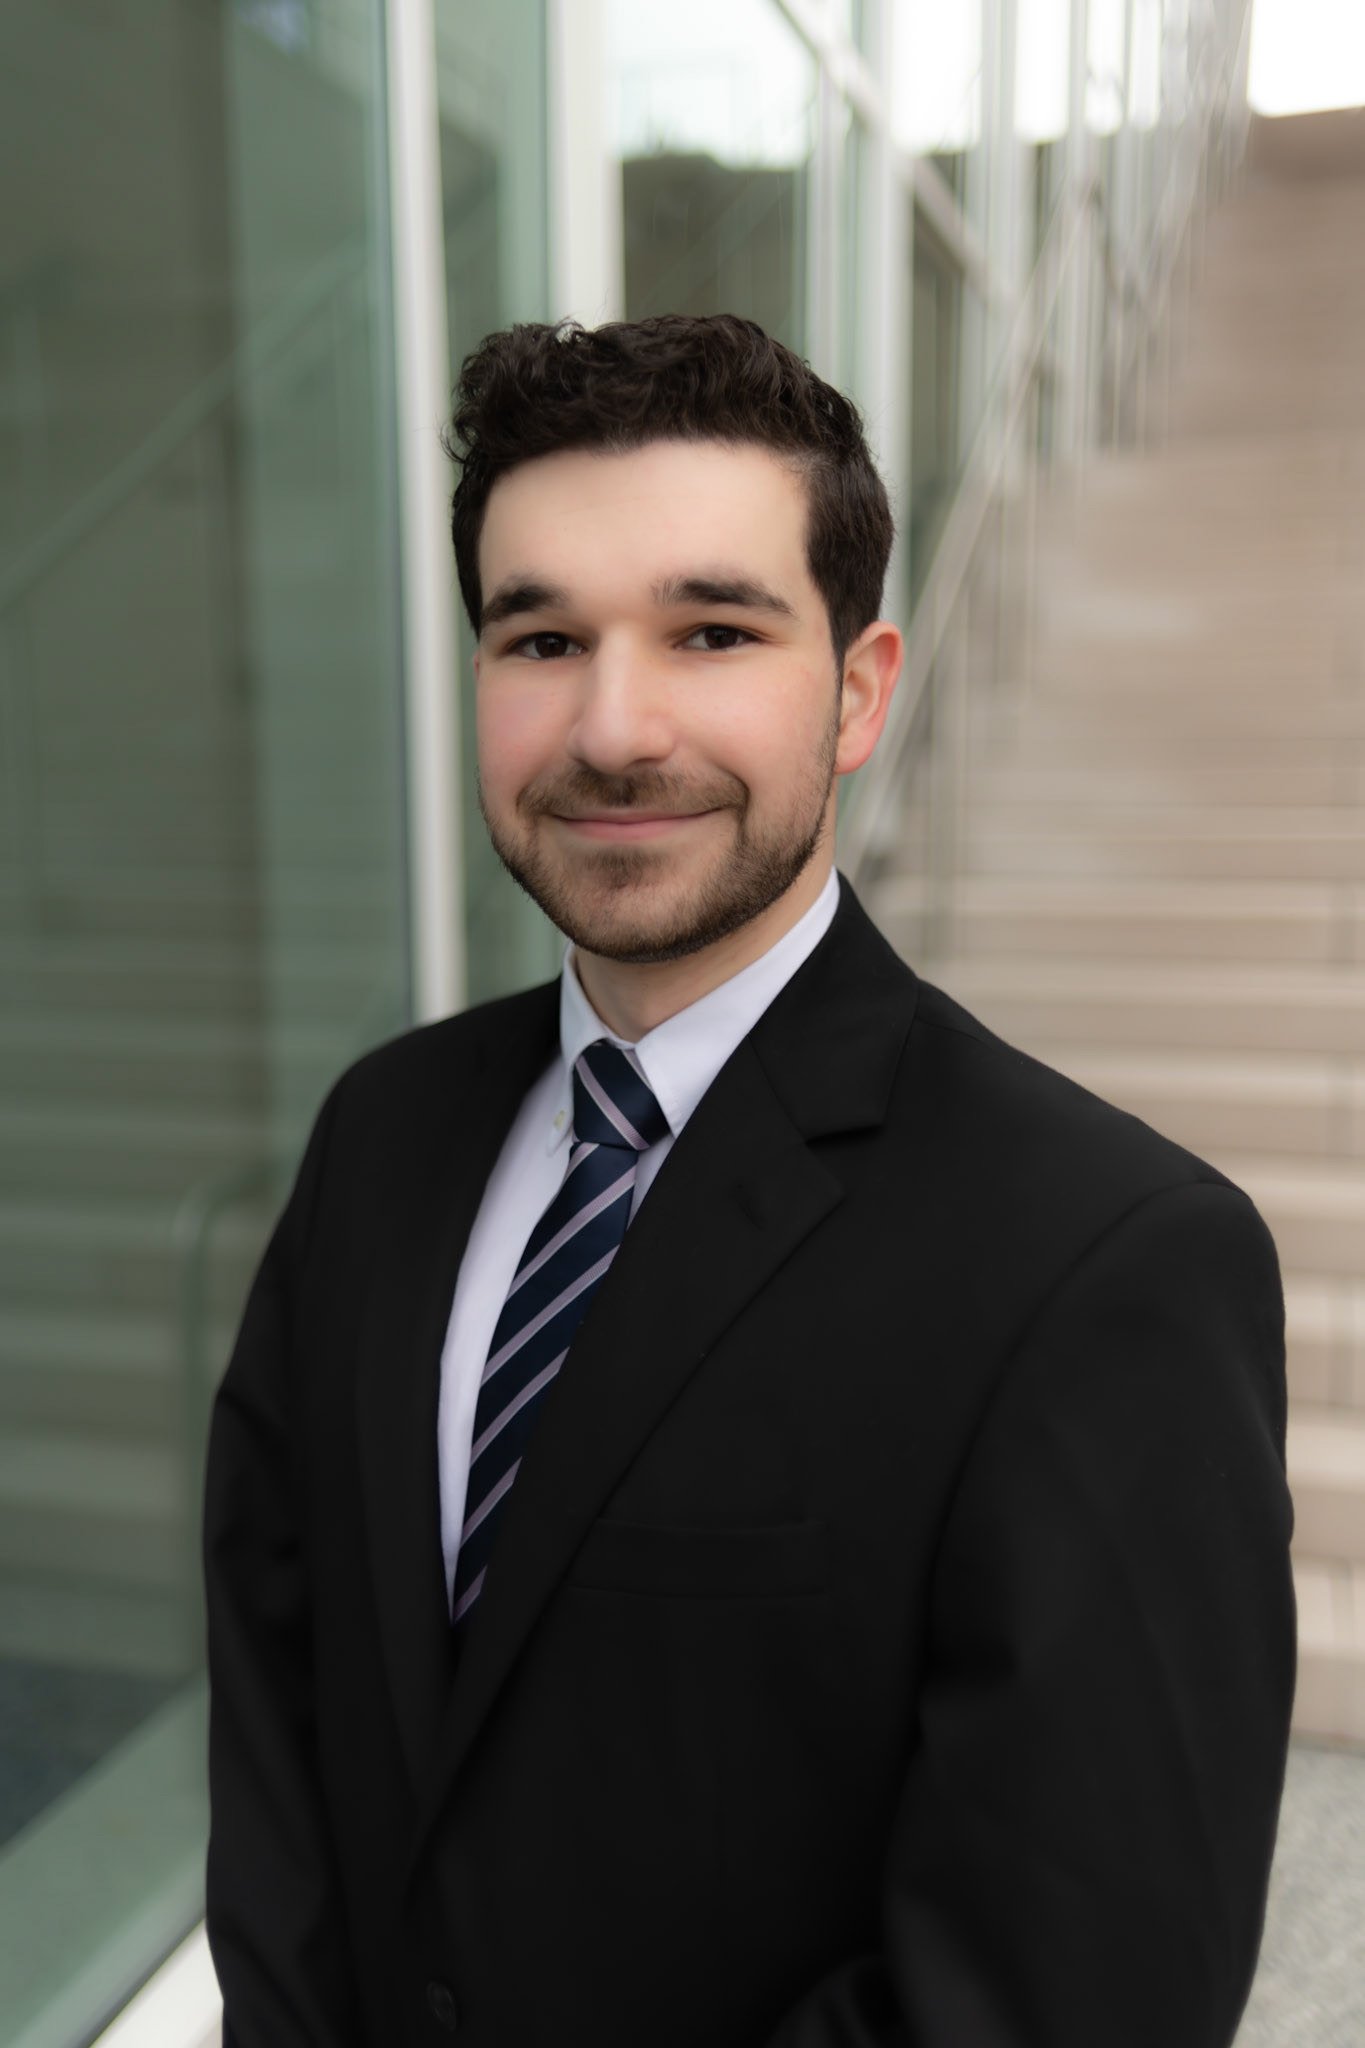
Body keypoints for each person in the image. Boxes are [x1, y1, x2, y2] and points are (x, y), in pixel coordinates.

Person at [203, 314, 1295, 2048]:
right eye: (541, 635)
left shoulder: (1100, 1264)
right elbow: (282, 1720)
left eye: (711, 631)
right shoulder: (383, 1135)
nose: (612, 726)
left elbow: (1066, 1991)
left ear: (857, 692)